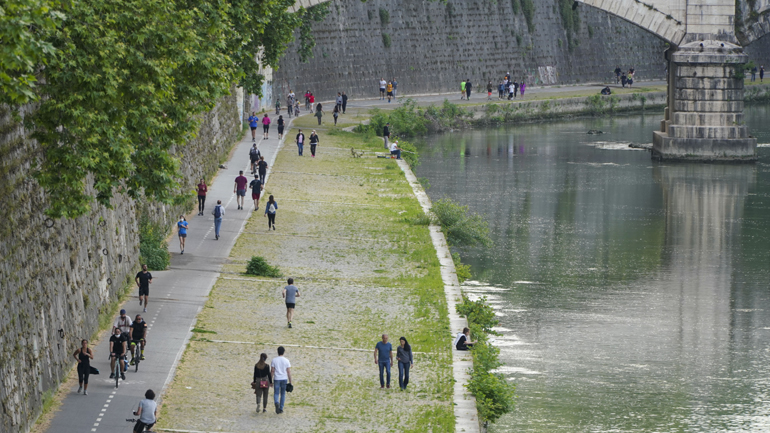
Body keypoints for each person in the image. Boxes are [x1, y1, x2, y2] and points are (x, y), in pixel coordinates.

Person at [270, 346, 292, 414]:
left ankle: (276, 402)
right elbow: (288, 371)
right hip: (284, 378)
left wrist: (270, 380)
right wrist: (290, 381)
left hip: (276, 378)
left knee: (276, 393)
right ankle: (281, 408)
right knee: (283, 394)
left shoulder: (274, 360)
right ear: (283, 352)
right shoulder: (286, 360)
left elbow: (272, 371)